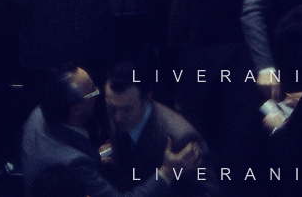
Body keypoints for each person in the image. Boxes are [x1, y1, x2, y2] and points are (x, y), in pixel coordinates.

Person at [20, 66, 199, 197]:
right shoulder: (75, 162)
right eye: (92, 91)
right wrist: (167, 172)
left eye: (127, 109)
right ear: (75, 109)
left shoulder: (39, 114)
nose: (117, 118)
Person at [102, 60, 212, 196]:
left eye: (127, 109)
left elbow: (208, 192)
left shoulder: (180, 138)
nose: (117, 118)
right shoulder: (116, 112)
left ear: (147, 98)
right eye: (112, 107)